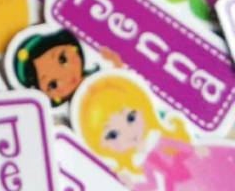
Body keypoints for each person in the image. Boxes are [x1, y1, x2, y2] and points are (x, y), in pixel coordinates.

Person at [75, 72, 235, 190]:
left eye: (131, 118)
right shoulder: (142, 161)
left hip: (193, 165)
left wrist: (194, 150)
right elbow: (150, 185)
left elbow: (181, 146)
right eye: (113, 135)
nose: (129, 133)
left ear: (143, 108)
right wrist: (132, 185)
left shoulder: (158, 139)